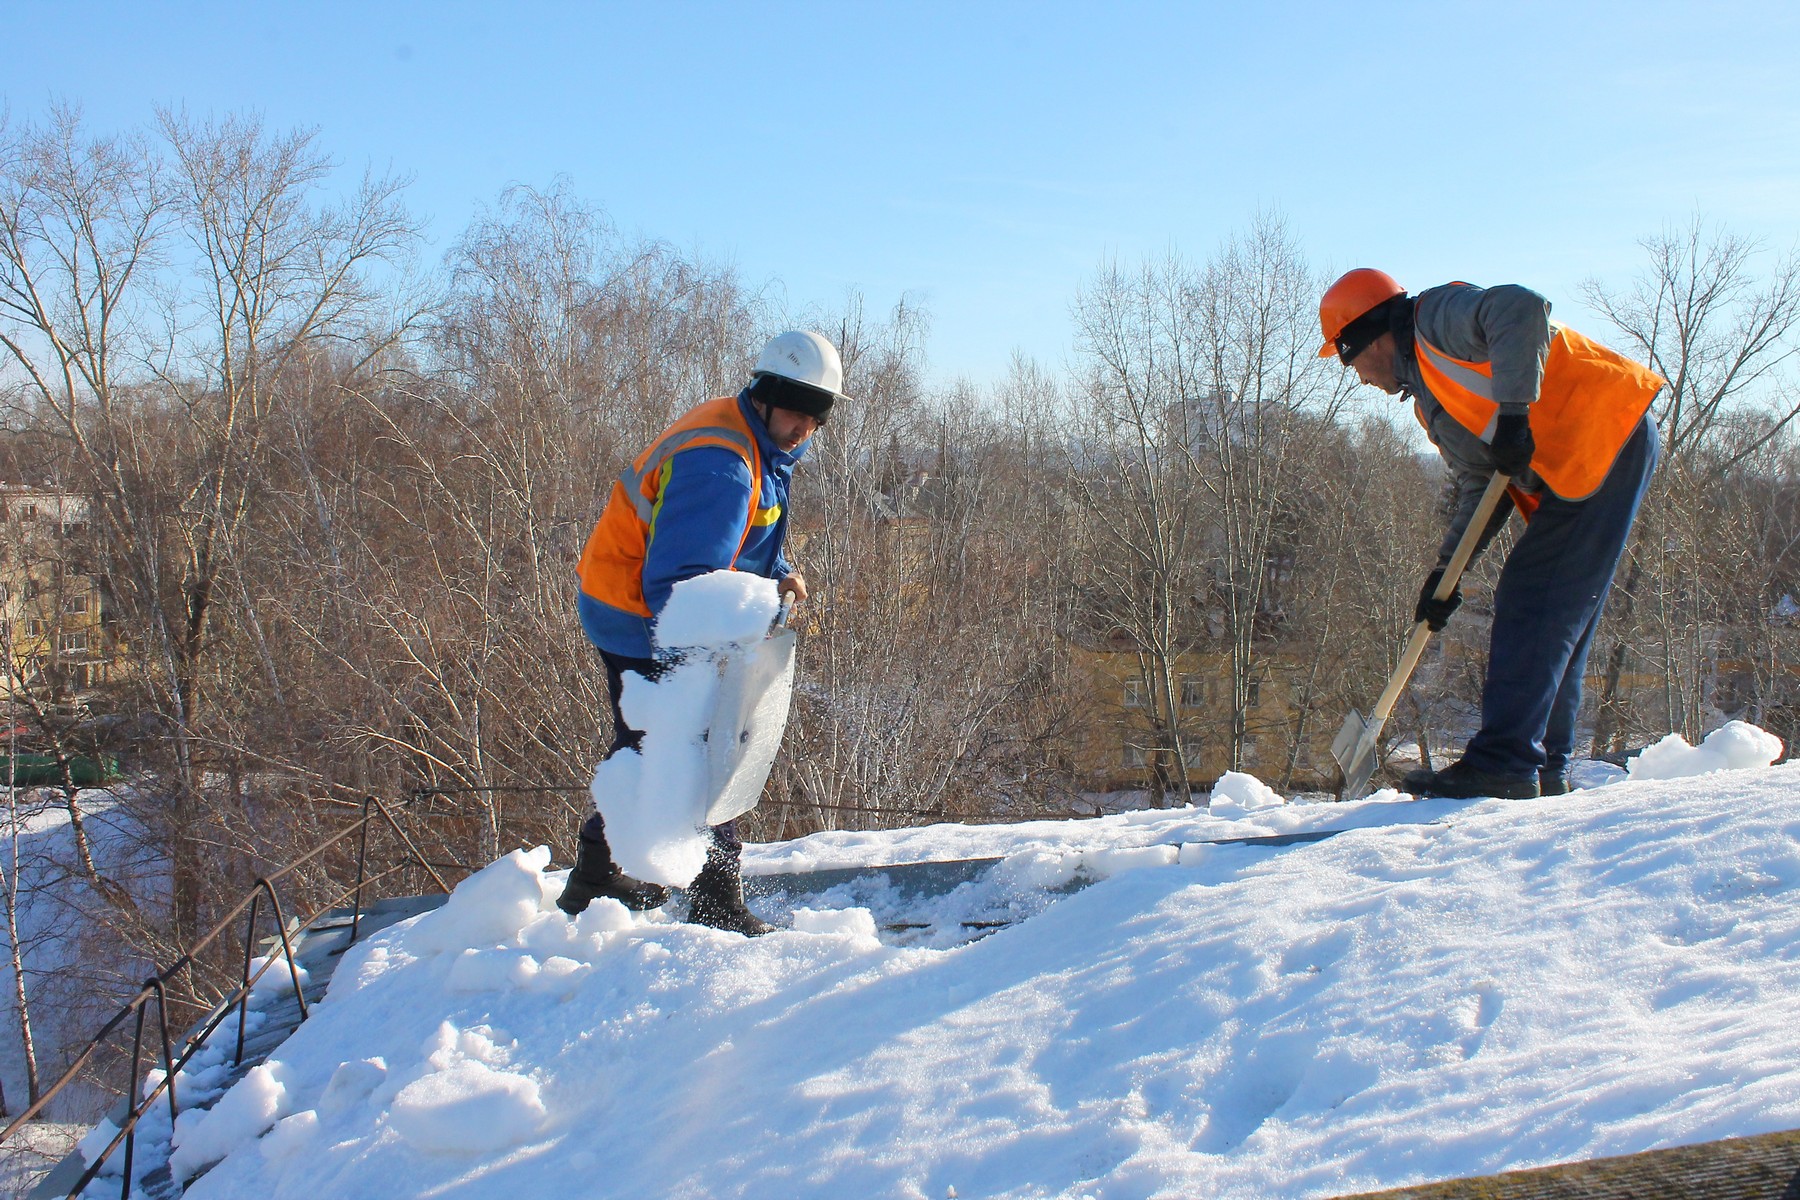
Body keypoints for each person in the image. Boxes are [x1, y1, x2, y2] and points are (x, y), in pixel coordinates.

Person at [1318, 270, 1663, 799]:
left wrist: (1514, 415)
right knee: (1555, 613)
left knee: (1534, 600)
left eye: (1348, 360)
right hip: (1584, 459)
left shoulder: (1436, 320)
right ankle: (1540, 761)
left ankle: (1506, 761)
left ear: (1372, 337)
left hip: (1602, 428)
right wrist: (1444, 575)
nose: (1357, 377)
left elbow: (1521, 308)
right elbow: (1481, 484)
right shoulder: (1432, 401)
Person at [558, 330, 845, 933]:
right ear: (765, 396)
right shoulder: (722, 464)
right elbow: (683, 584)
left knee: (652, 741)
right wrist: (756, 607)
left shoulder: (754, 440)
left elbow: (738, 538)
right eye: (796, 410)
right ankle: (715, 902)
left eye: (817, 417)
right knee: (697, 744)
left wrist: (778, 572)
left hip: (645, 599)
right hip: (636, 610)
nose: (805, 428)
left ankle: (596, 877)